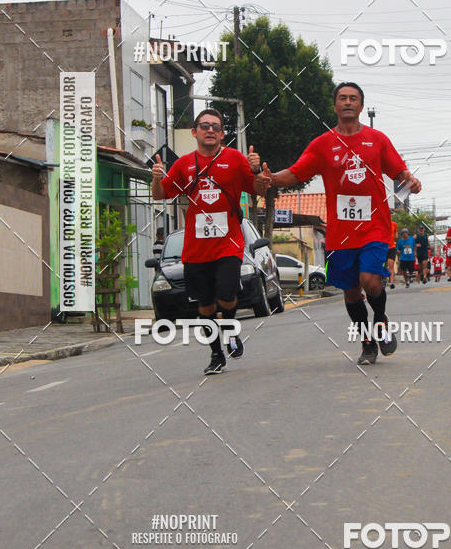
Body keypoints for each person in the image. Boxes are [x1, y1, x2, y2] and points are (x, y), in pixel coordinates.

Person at [259, 82, 421, 365]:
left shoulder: (377, 139)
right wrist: (270, 178)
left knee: (370, 280)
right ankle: (367, 343)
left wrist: (413, 181)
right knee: (350, 291)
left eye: (353, 99)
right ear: (335, 106)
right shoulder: (322, 144)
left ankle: (380, 319)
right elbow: (296, 173)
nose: (348, 102)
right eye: (342, 98)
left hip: (374, 225)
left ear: (360, 105)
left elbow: (400, 171)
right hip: (341, 231)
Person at [151, 108, 267, 375]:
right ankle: (216, 354)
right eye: (205, 125)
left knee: (226, 295)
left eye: (216, 126)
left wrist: (256, 170)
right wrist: (156, 178)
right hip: (195, 250)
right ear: (194, 132)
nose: (210, 130)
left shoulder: (235, 159)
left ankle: (229, 331)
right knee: (204, 305)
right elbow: (160, 195)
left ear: (222, 134)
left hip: (228, 245)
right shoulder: (183, 165)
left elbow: (258, 189)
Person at [386, 219, 398, 289]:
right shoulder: (381, 223)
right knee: (383, 264)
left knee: (391, 265)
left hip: (391, 248)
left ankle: (391, 282)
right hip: (383, 248)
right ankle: (384, 279)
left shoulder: (394, 224)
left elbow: (396, 236)